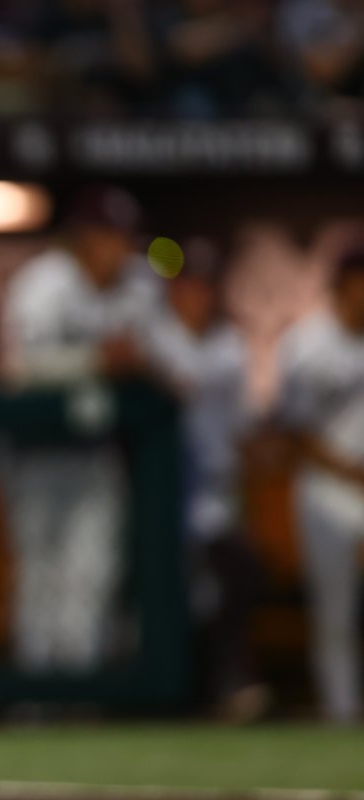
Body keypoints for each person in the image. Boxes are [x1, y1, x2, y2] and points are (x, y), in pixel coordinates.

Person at [0, 184, 159, 676]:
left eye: (123, 238)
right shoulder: (44, 283)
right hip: (33, 449)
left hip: (96, 448)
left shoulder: (141, 285)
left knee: (93, 573)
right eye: (106, 236)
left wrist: (143, 361)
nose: (117, 248)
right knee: (41, 575)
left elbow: (165, 357)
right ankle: (37, 700)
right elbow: (16, 369)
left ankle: (81, 694)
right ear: (83, 239)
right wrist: (96, 360)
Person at [144, 238, 269, 722]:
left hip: (213, 488)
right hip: (158, 490)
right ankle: (171, 692)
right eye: (187, 285)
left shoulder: (230, 344)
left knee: (231, 579)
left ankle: (228, 683)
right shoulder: (153, 337)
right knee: (163, 595)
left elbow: (241, 432)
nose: (197, 295)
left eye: (204, 285)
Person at [276, 243, 364, 724]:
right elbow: (296, 432)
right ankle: (341, 714)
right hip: (326, 490)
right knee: (334, 612)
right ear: (339, 287)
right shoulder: (307, 344)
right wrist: (350, 472)